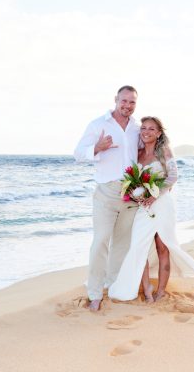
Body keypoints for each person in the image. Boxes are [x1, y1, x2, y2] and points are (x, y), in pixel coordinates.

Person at [108, 117, 194, 303]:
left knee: (163, 247)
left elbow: (173, 177)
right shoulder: (137, 154)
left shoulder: (164, 151)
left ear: (159, 133)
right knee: (139, 247)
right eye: (143, 128)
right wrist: (134, 193)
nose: (146, 131)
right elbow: (130, 178)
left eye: (151, 129)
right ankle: (147, 289)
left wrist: (155, 194)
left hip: (163, 204)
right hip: (143, 206)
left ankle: (161, 291)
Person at [74, 85, 141, 311]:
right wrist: (97, 147)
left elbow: (142, 156)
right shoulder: (98, 124)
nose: (127, 105)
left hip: (131, 192)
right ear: (115, 99)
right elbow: (77, 154)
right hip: (106, 192)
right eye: (124, 101)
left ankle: (112, 286)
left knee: (122, 243)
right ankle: (94, 293)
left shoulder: (137, 128)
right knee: (101, 240)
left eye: (132, 102)